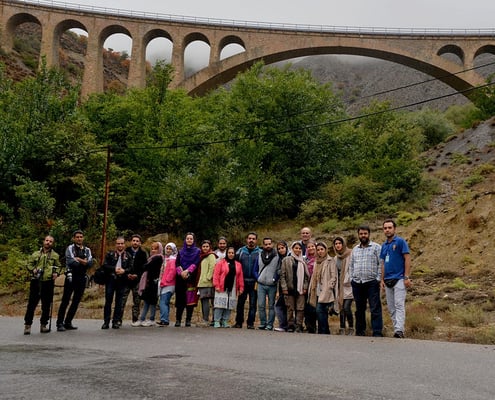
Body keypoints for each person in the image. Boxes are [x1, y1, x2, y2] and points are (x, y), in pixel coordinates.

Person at [23, 235, 62, 334]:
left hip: (48, 281)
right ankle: (27, 325)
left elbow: (59, 266)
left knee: (46, 305)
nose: (48, 242)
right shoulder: (35, 254)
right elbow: (29, 264)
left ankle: (43, 325)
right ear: (43, 241)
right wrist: (33, 270)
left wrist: (56, 273)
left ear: (52, 244)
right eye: (47, 240)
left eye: (50, 241)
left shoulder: (55, 255)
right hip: (36, 281)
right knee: (32, 304)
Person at [349, 225, 383, 337]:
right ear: (358, 235)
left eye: (365, 233)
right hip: (357, 283)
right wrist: (352, 278)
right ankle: (360, 331)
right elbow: (351, 265)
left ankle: (377, 332)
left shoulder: (376, 247)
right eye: (361, 234)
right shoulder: (355, 249)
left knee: (375, 308)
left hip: (372, 282)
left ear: (369, 234)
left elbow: (381, 264)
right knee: (359, 309)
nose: (363, 235)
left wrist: (378, 279)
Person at [380, 219, 412, 339]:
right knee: (391, 307)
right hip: (387, 279)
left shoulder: (400, 242)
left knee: (399, 304)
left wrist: (406, 276)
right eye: (385, 228)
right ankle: (396, 328)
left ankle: (400, 330)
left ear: (394, 229)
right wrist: (381, 279)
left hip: (399, 278)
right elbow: (382, 263)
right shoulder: (384, 245)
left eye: (389, 227)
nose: (387, 230)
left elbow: (407, 258)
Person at [56, 230, 93, 332]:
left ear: (83, 238)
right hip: (71, 276)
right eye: (77, 237)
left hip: (82, 277)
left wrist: (80, 260)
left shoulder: (87, 250)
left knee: (76, 301)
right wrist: (83, 261)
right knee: (65, 300)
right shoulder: (70, 248)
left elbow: (90, 263)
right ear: (74, 238)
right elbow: (71, 262)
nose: (79, 238)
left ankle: (68, 322)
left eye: (81, 237)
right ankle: (59, 323)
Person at [101, 237, 132, 329]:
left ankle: (116, 321)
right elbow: (105, 265)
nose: (120, 245)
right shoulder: (110, 254)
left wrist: (124, 271)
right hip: (110, 280)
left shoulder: (128, 255)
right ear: (116, 245)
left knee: (119, 302)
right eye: (118, 243)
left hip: (122, 281)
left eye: (122, 243)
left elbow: (131, 267)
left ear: (124, 244)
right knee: (108, 301)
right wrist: (114, 269)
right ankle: (106, 322)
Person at [308, 242, 338, 334]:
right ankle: (325, 331)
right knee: (321, 312)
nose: (320, 251)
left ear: (326, 250)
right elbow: (314, 276)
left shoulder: (330, 260)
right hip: (316, 289)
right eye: (318, 250)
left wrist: (330, 286)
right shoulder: (317, 261)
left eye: (322, 249)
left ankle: (323, 331)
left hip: (326, 290)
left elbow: (334, 275)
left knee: (320, 310)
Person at [280, 241, 309, 333]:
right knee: (290, 308)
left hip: (300, 289)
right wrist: (284, 287)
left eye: (300, 248)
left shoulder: (303, 261)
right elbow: (282, 275)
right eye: (296, 248)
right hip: (289, 288)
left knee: (300, 308)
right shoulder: (286, 260)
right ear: (292, 249)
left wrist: (305, 287)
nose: (298, 250)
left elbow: (306, 276)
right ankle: (290, 325)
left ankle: (299, 325)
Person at [234, 232, 261, 329]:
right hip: (242, 281)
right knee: (240, 303)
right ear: (246, 239)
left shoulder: (260, 252)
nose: (251, 240)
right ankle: (238, 322)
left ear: (256, 240)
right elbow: (235, 264)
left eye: (253, 239)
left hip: (254, 282)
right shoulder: (240, 251)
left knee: (253, 304)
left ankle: (250, 323)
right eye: (249, 238)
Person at [213, 247, 244, 328]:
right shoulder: (221, 262)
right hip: (221, 286)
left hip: (233, 287)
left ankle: (225, 321)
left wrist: (241, 288)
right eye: (229, 253)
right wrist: (216, 285)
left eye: (232, 253)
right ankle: (216, 321)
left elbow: (240, 277)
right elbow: (216, 274)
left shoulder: (238, 264)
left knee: (229, 305)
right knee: (220, 304)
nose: (231, 254)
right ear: (227, 253)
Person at [121, 234, 148, 327]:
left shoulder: (143, 253)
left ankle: (135, 319)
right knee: (122, 300)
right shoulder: (125, 251)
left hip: (137, 280)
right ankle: (118, 319)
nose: (135, 242)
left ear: (140, 243)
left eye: (137, 241)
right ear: (131, 241)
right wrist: (126, 274)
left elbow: (144, 267)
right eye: (134, 240)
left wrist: (137, 275)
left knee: (136, 301)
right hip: (126, 279)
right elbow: (121, 265)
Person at [174, 232, 201, 327]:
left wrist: (188, 271)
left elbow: (196, 262)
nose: (189, 240)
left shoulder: (197, 251)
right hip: (180, 278)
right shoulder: (180, 251)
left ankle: (188, 320)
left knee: (190, 300)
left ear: (194, 240)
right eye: (187, 238)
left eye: (191, 239)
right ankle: (178, 320)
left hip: (191, 278)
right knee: (180, 299)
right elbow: (177, 263)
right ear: (185, 240)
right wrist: (181, 272)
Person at [255, 237, 280, 331]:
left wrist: (275, 279)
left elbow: (279, 270)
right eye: (266, 244)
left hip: (272, 284)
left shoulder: (277, 256)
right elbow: (255, 268)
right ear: (263, 245)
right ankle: (262, 323)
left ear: (272, 244)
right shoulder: (259, 255)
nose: (268, 246)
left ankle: (270, 324)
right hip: (261, 284)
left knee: (271, 305)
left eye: (269, 244)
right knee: (261, 305)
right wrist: (257, 278)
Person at [137, 241, 163, 326]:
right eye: (152, 248)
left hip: (154, 283)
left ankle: (151, 319)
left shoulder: (158, 258)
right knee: (147, 301)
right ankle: (142, 318)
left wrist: (145, 266)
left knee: (152, 302)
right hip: (149, 282)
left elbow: (146, 267)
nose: (153, 250)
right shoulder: (151, 258)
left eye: (155, 249)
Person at [334, 236, 354, 335]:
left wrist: (348, 279)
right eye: (336, 243)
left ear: (343, 244)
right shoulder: (335, 258)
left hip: (349, 285)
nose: (338, 245)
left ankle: (351, 327)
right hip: (339, 286)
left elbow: (353, 268)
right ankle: (342, 328)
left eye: (339, 243)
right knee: (341, 307)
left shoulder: (350, 254)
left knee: (347, 307)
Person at [197, 240, 217, 327]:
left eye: (207, 246)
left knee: (210, 302)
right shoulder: (202, 256)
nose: (205, 248)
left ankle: (210, 320)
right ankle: (206, 319)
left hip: (208, 283)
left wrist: (208, 278)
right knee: (204, 302)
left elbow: (212, 267)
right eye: (203, 246)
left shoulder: (211, 255)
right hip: (202, 283)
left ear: (210, 247)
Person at [157, 243, 177, 326]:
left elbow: (172, 272)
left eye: (170, 249)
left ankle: (164, 319)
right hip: (164, 283)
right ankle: (165, 319)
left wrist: (166, 281)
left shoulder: (173, 259)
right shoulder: (166, 259)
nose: (168, 250)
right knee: (165, 302)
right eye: (167, 248)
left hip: (168, 284)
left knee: (163, 302)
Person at [274, 240, 289, 332]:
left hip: (288, 286)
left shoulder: (289, 258)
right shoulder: (279, 258)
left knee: (280, 306)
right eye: (279, 249)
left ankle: (285, 325)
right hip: (281, 285)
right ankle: (285, 325)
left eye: (282, 248)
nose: (280, 250)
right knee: (282, 306)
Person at [304, 239, 317, 333]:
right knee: (307, 307)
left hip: (317, 286)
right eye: (309, 247)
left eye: (312, 246)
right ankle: (309, 327)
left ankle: (318, 326)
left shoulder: (319, 258)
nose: (311, 248)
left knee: (316, 307)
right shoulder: (305, 259)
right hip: (306, 286)